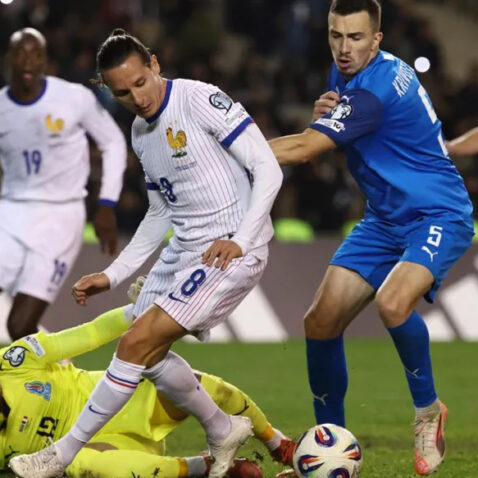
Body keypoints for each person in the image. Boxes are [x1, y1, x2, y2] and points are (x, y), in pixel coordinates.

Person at [10, 29, 283, 478]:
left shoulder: (199, 99)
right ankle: (223, 428)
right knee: (149, 353)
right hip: (184, 251)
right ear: (109, 90)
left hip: (230, 250)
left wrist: (242, 238)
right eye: (122, 92)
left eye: (140, 82)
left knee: (135, 343)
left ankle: (60, 455)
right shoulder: (140, 132)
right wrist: (113, 274)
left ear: (154, 64)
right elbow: (159, 212)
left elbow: (267, 167)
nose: (137, 98)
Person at [267, 0, 474, 476]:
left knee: (393, 303)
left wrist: (228, 146)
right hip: (383, 219)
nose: (344, 48)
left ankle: (428, 411)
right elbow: (342, 133)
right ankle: (329, 447)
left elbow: (305, 149)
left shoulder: (373, 90)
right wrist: (327, 118)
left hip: (437, 213)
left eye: (356, 37)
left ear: (377, 39)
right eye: (336, 36)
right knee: (320, 321)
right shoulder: (353, 73)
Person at [0, 302, 294, 477]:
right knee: (83, 465)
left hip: (127, 401)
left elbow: (92, 333)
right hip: (107, 450)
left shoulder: (14, 362)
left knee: (208, 389)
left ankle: (279, 445)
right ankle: (204, 467)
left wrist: (138, 309)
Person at [0, 28, 127, 340]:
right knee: (20, 328)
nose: (28, 61)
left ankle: (59, 366)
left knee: (18, 326)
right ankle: (56, 364)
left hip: (59, 217)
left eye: (36, 55)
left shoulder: (73, 98)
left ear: (45, 61)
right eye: (20, 54)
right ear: (9, 59)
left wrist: (107, 203)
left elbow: (113, 142)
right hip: (10, 213)